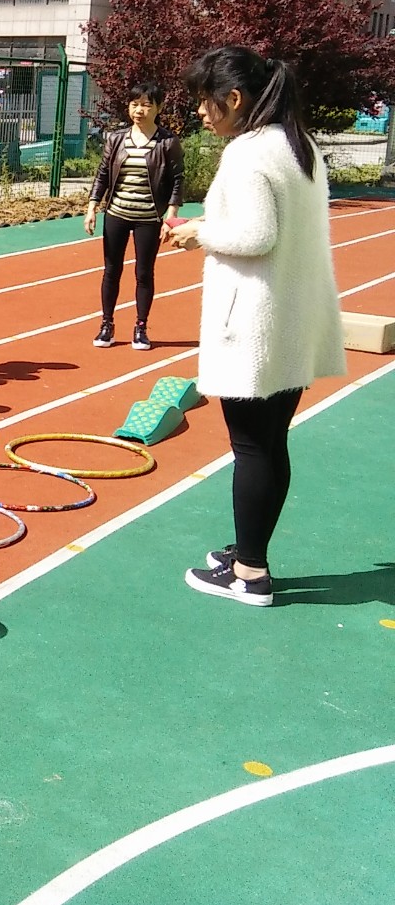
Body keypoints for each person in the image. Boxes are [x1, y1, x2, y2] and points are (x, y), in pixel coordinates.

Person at [168, 47, 345, 607]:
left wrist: (199, 232)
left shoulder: (247, 153)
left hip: (256, 323)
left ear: (235, 98)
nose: (201, 112)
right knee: (271, 443)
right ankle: (250, 549)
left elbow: (256, 236)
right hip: (294, 318)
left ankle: (249, 572)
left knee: (251, 448)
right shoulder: (298, 143)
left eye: (206, 101)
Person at [85, 81, 185, 350]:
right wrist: (92, 206)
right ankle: (106, 325)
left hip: (148, 218)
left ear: (158, 108)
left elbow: (177, 180)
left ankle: (141, 327)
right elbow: (103, 174)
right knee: (111, 270)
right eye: (135, 104)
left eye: (146, 105)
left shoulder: (167, 142)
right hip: (116, 214)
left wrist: (171, 215)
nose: (139, 110)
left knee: (144, 273)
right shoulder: (116, 139)